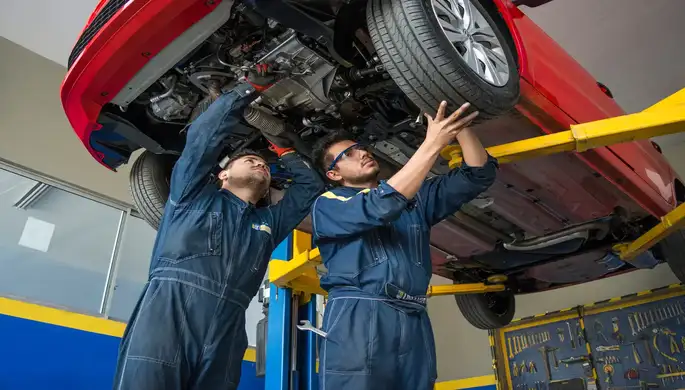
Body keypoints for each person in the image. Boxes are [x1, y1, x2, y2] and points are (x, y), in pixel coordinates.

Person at [113, 69, 325, 390]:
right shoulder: (191, 196)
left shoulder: (267, 223)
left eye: (264, 165)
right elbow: (204, 138)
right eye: (249, 159)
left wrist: (286, 151)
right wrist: (247, 89)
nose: (259, 163)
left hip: (228, 326)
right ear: (223, 176)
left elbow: (310, 188)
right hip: (169, 312)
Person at [310, 101, 498, 390]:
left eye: (360, 147)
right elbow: (380, 206)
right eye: (347, 155)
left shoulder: (416, 201)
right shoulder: (330, 204)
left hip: (413, 315)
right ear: (334, 175)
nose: (361, 152)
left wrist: (459, 128)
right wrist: (432, 142)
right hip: (360, 314)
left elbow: (478, 174)